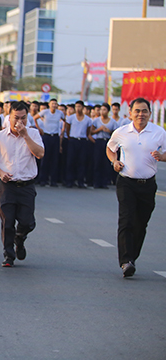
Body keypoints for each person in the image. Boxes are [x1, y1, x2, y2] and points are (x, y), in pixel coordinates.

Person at [106, 98, 166, 278]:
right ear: (130, 112)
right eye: (137, 111)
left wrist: (161, 156)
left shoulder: (159, 132)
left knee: (141, 223)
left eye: (144, 111)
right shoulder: (122, 132)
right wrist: (114, 161)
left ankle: (132, 257)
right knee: (126, 220)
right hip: (126, 182)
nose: (141, 114)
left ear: (149, 113)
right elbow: (110, 148)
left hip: (148, 184)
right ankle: (125, 261)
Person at [0, 101, 44, 267]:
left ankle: (20, 238)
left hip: (26, 185)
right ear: (8, 117)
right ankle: (8, 255)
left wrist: (25, 135)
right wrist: (0, 172)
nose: (20, 121)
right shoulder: (0, 137)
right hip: (7, 186)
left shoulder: (33, 133)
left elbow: (40, 154)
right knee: (7, 221)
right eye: (16, 118)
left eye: (23, 118)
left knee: (27, 222)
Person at [34, 98, 65, 186]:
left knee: (54, 159)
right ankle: (43, 179)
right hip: (46, 136)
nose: (54, 105)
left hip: (55, 137)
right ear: (49, 104)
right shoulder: (45, 112)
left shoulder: (60, 113)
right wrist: (39, 128)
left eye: (55, 104)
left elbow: (65, 121)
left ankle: (53, 181)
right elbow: (35, 118)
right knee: (45, 158)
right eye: (52, 104)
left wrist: (63, 130)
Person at [64, 100, 93, 188]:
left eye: (79, 107)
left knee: (82, 161)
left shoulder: (88, 119)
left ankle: (80, 181)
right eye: (76, 107)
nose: (78, 109)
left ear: (83, 108)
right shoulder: (71, 118)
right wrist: (70, 137)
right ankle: (70, 181)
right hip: (73, 140)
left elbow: (88, 131)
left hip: (83, 141)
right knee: (70, 161)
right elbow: (67, 129)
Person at [90, 103, 117, 189]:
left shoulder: (113, 122)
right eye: (101, 109)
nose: (102, 111)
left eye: (104, 110)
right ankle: (96, 182)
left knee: (106, 163)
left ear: (108, 111)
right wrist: (99, 129)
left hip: (108, 142)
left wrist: (108, 131)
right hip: (99, 141)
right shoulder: (96, 120)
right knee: (97, 162)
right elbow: (91, 132)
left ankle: (104, 182)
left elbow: (115, 134)